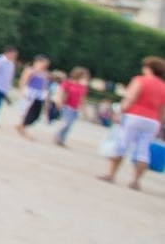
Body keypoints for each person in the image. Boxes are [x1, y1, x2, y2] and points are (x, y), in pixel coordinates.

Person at [98, 56, 165, 190]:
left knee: (122, 145)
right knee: (143, 150)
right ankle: (135, 180)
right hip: (153, 120)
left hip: (134, 116)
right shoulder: (163, 86)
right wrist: (160, 123)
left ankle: (111, 174)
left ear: (149, 68)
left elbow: (130, 98)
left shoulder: (140, 80)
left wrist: (120, 112)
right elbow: (162, 108)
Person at [15, 55, 51, 138]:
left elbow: (45, 86)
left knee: (36, 112)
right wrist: (23, 91)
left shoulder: (45, 74)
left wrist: (46, 96)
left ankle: (22, 125)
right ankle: (22, 126)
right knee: (27, 110)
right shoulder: (31, 70)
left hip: (39, 94)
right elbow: (24, 81)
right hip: (30, 92)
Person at [54, 66, 90, 147]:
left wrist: (84, 111)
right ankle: (57, 136)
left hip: (75, 108)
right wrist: (59, 102)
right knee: (65, 123)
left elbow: (82, 99)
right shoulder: (68, 83)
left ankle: (62, 139)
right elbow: (61, 92)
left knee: (69, 125)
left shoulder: (83, 87)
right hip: (67, 106)